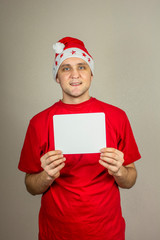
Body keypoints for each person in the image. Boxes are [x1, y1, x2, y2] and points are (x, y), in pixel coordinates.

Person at [18, 37, 141, 240]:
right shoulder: (38, 122)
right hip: (56, 233)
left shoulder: (117, 116)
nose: (74, 74)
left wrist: (119, 171)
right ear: (57, 77)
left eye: (82, 67)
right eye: (66, 68)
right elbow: (31, 186)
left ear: (91, 74)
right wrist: (46, 176)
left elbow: (130, 180)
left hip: (107, 232)